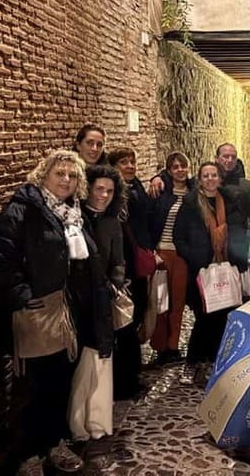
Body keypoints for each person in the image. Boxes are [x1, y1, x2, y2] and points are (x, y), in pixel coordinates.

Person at [0, 150, 92, 475]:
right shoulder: (25, 209)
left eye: (72, 176)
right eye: (59, 174)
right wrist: (21, 293)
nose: (66, 180)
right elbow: (1, 255)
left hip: (63, 307)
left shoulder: (72, 212)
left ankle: (54, 444)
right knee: (32, 387)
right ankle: (28, 455)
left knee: (60, 380)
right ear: (43, 175)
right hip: (37, 310)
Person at [71, 166, 126, 442]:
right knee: (81, 362)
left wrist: (115, 283)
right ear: (88, 188)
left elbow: (118, 259)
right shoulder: (75, 218)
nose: (103, 195)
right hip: (79, 300)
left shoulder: (112, 221)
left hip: (102, 298)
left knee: (100, 359)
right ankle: (76, 421)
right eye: (99, 189)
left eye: (109, 190)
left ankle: (97, 419)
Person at [173, 162, 240, 385]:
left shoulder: (228, 202)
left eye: (214, 175)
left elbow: (240, 227)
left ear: (220, 179)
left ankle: (212, 362)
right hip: (201, 271)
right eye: (206, 175)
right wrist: (194, 258)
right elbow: (178, 237)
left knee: (221, 319)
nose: (210, 179)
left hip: (224, 269)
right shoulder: (191, 203)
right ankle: (192, 363)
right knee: (203, 318)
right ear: (200, 180)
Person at [107, 148, 154, 398]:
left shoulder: (136, 188)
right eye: (123, 162)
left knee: (136, 315)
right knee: (124, 324)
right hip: (120, 268)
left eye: (132, 162)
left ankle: (132, 375)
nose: (130, 166)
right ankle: (124, 381)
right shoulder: (110, 195)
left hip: (135, 263)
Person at [149, 152, 194, 364]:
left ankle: (173, 347)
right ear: (169, 171)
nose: (180, 170)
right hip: (161, 253)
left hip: (182, 255)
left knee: (178, 303)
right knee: (160, 303)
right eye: (175, 167)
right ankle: (159, 348)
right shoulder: (161, 192)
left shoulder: (194, 192)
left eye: (183, 166)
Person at [214, 143, 250, 269]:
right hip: (209, 247)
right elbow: (181, 181)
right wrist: (159, 178)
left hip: (236, 248)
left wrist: (246, 240)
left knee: (235, 285)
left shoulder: (246, 186)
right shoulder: (206, 181)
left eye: (233, 157)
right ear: (216, 158)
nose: (230, 160)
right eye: (226, 156)